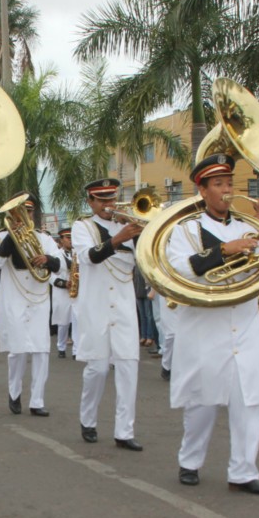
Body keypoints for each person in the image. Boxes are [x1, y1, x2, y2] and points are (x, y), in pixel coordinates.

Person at [167, 155, 259, 496]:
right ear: (201, 190)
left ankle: (244, 471)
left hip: (245, 322)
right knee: (202, 401)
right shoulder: (184, 230)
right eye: (217, 184)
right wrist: (224, 250)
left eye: (228, 183)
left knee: (249, 399)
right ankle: (190, 462)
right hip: (205, 324)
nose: (226, 190)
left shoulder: (248, 225)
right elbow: (180, 268)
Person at [71, 178, 144, 450]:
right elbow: (88, 256)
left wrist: (141, 234)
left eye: (111, 199)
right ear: (91, 202)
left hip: (124, 307)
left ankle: (125, 431)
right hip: (96, 306)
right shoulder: (82, 226)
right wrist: (117, 239)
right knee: (98, 369)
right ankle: (88, 420)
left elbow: (145, 260)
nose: (109, 205)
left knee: (128, 366)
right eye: (101, 200)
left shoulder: (130, 227)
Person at [0, 192, 62, 417]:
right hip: (14, 298)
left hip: (39, 299)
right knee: (18, 350)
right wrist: (11, 239)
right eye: (21, 211)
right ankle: (14, 393)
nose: (26, 215)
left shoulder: (44, 238)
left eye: (29, 211)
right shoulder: (0, 237)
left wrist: (47, 260)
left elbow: (60, 264)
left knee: (41, 350)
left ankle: (37, 400)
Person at [51, 228, 75, 359]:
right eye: (67, 238)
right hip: (62, 291)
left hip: (76, 290)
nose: (70, 240)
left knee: (77, 320)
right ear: (61, 240)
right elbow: (50, 276)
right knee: (63, 322)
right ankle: (61, 347)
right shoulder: (56, 254)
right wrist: (63, 283)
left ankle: (76, 350)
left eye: (72, 237)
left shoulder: (77, 253)